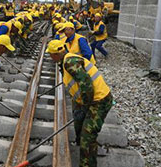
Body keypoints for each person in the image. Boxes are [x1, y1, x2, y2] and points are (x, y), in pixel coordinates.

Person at [45, 39, 113, 167]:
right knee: (79, 125)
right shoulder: (65, 61)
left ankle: (87, 162)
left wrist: (85, 107)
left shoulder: (70, 62)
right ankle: (80, 146)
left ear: (54, 55)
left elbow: (87, 86)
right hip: (90, 100)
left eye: (50, 55)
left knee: (87, 137)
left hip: (99, 100)